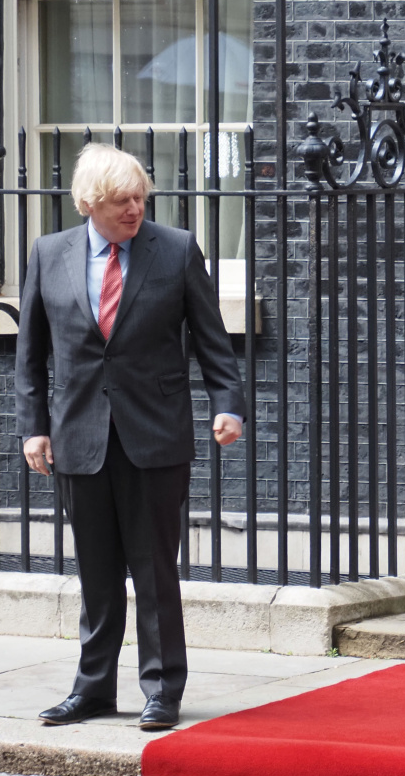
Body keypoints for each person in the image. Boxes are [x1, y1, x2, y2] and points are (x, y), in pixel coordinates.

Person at [15, 143, 247, 731]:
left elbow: (213, 339)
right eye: (122, 200)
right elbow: (30, 354)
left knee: (154, 571)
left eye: (140, 198)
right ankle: (92, 689)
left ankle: (162, 690)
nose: (135, 209)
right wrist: (34, 428)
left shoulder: (176, 249)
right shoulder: (48, 254)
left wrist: (229, 406)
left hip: (154, 434)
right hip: (78, 435)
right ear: (89, 203)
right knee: (96, 574)